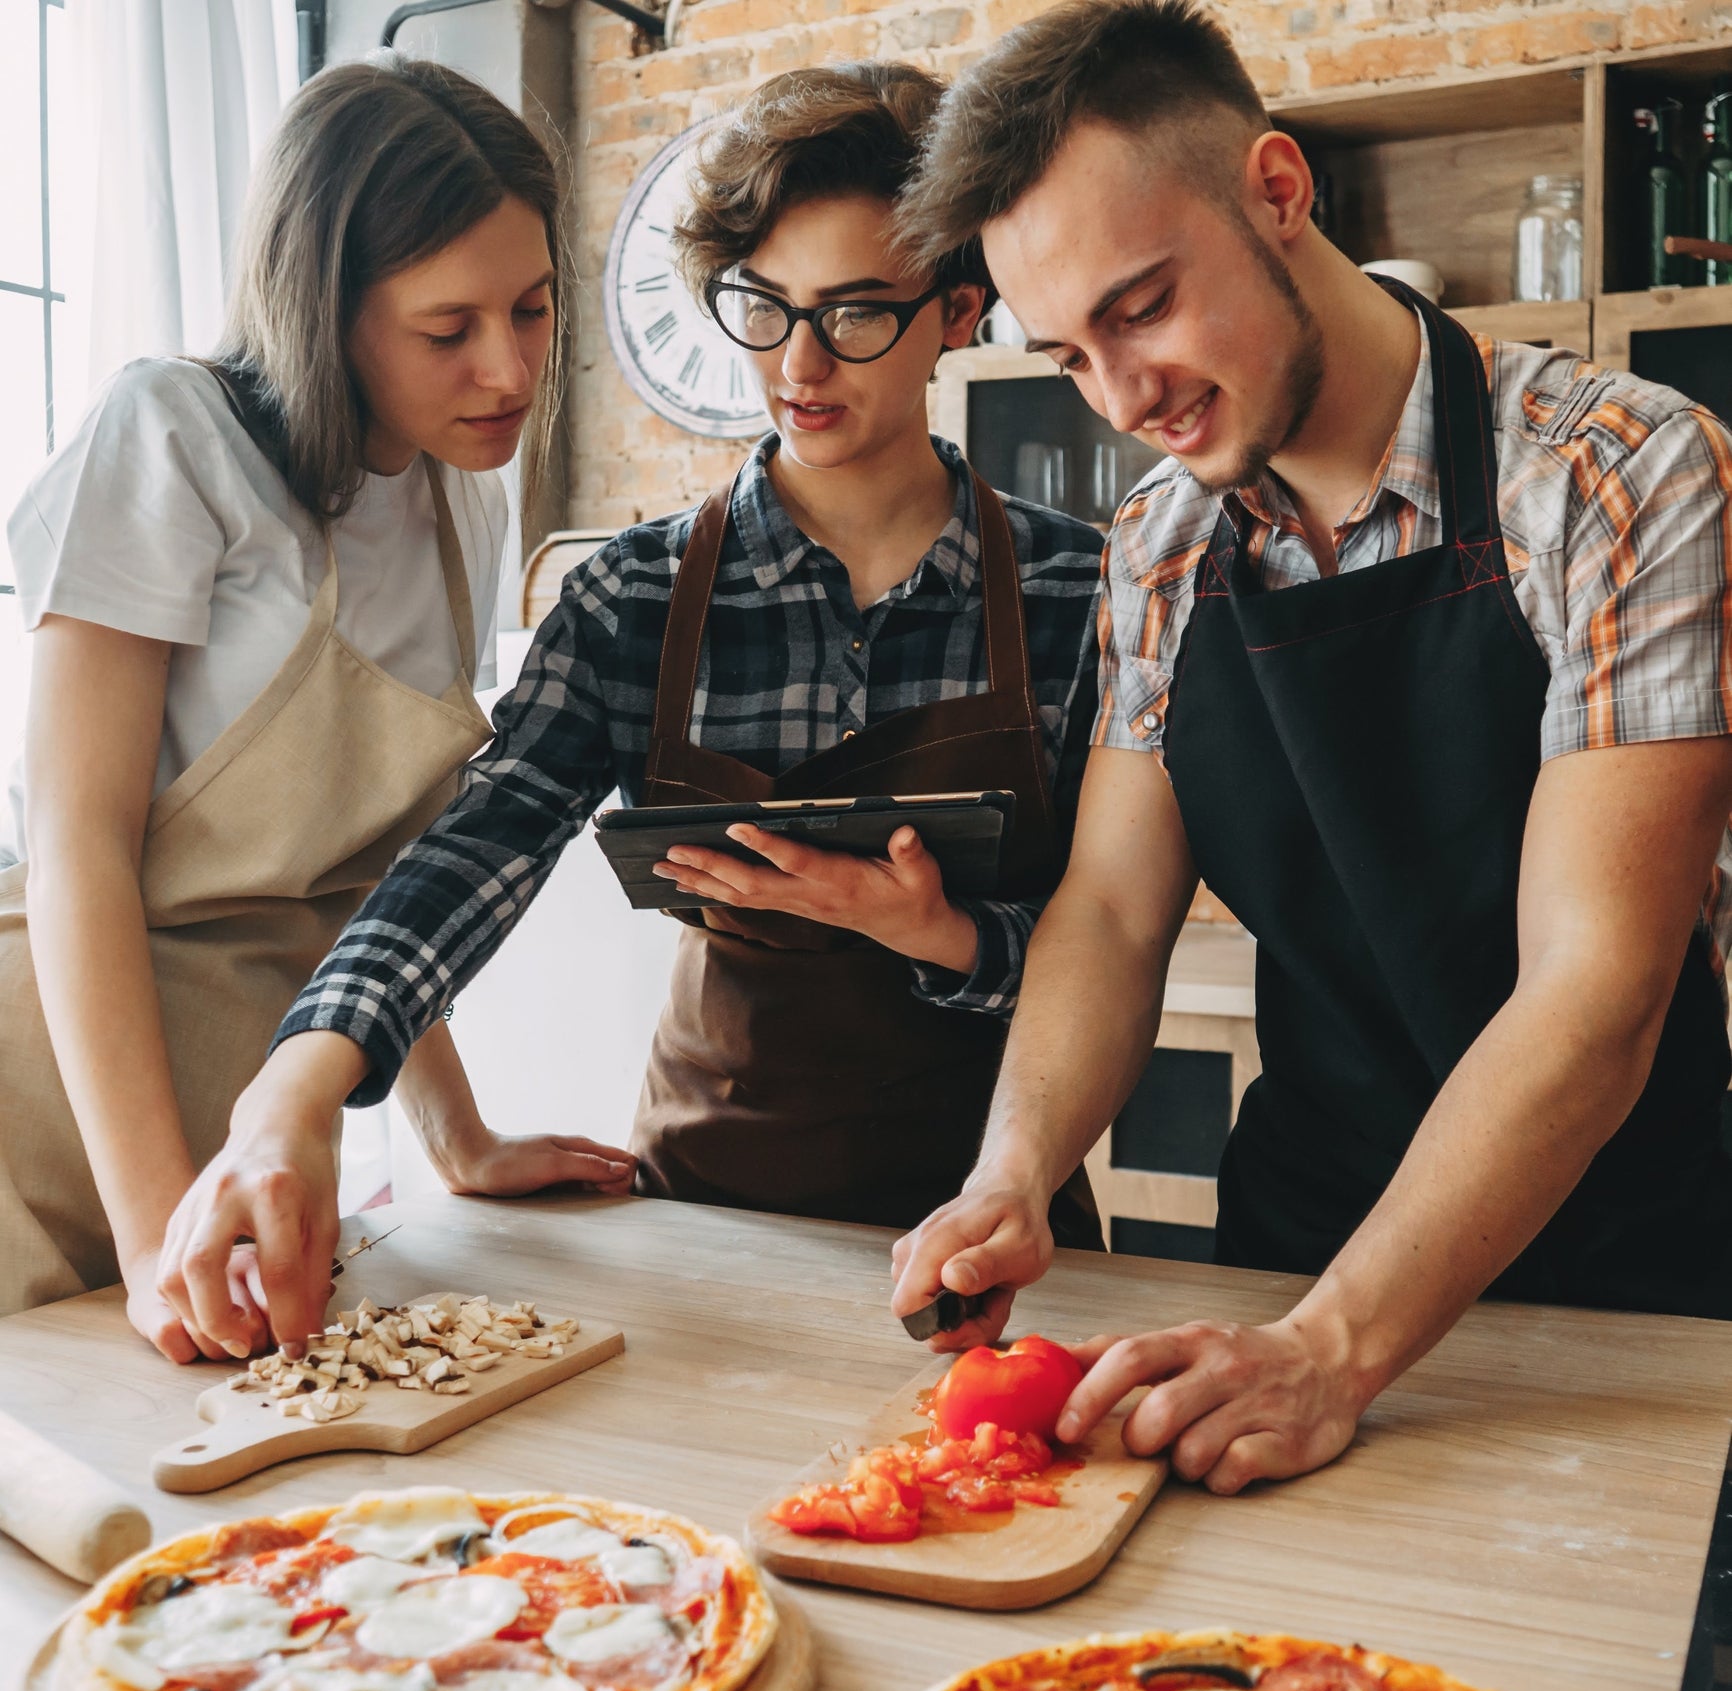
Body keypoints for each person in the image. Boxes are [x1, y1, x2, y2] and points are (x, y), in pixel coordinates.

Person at [889, 0, 1732, 1494]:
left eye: (1142, 306)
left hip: (1614, 1296)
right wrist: (1011, 1172)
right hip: (1294, 1262)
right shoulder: (1159, 545)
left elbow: (1600, 986)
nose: (1124, 398)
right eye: (1070, 355)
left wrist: (1340, 1348)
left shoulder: (1623, 475)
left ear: (1278, 193)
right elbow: (1110, 907)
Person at [153, 61, 1108, 1357]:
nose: (800, 364)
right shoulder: (636, 596)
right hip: (707, 1240)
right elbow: (477, 850)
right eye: (763, 310)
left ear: (958, 309)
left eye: (856, 315)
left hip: (1006, 1235)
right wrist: (297, 1088)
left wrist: (945, 935)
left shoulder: (1078, 588)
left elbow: (1113, 930)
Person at [0, 56, 635, 1360]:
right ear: (327, 309)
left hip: (252, 1136)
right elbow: (78, 857)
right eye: (446, 330)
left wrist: (459, 1141)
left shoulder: (460, 502)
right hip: (56, 1124)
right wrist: (147, 1231)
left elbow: (377, 870)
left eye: (531, 310)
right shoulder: (171, 439)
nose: (510, 372)